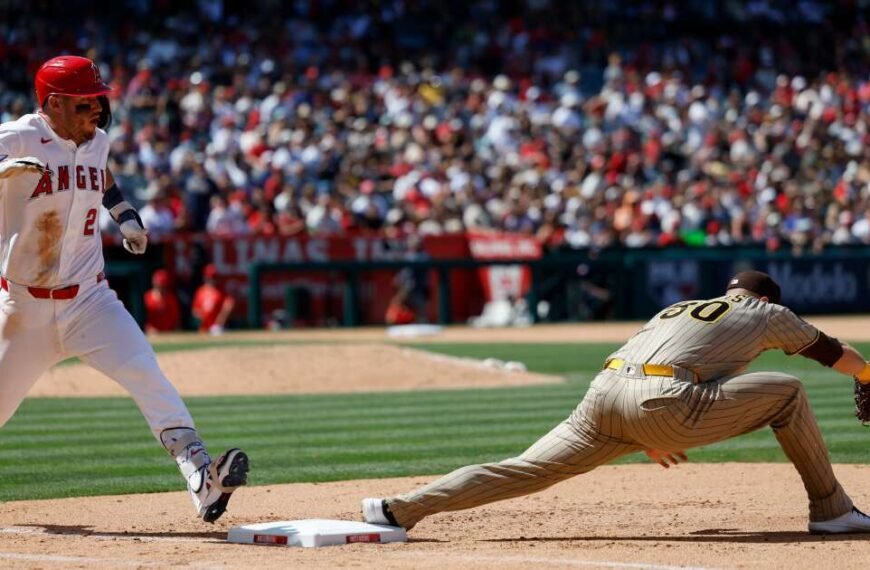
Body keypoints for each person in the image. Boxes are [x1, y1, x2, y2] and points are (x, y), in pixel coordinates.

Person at [363, 270, 870, 534]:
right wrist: (868, 373)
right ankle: (831, 510)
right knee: (790, 392)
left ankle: (400, 510)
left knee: (522, 468)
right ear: (765, 298)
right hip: (664, 402)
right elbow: (835, 354)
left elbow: (650, 362)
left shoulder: (680, 308)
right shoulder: (768, 312)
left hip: (604, 396)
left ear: (729, 291)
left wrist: (649, 429)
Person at [0, 55, 248, 523]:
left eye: (98, 99)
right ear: (53, 103)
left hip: (91, 300)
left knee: (146, 372)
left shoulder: (97, 142)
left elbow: (103, 176)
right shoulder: (17, 137)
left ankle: (202, 476)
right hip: (24, 309)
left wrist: (124, 213)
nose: (97, 108)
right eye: (85, 101)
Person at [192, 263, 235, 335]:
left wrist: (220, 322)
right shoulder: (200, 291)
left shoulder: (221, 291)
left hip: (218, 328)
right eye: (210, 277)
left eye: (213, 277)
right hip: (204, 328)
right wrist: (201, 319)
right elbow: (195, 310)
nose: (211, 279)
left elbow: (229, 305)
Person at [144, 268, 181, 333]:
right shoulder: (147, 297)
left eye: (163, 286)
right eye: (158, 286)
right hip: (151, 334)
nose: (160, 288)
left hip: (169, 334)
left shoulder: (171, 299)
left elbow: (176, 321)